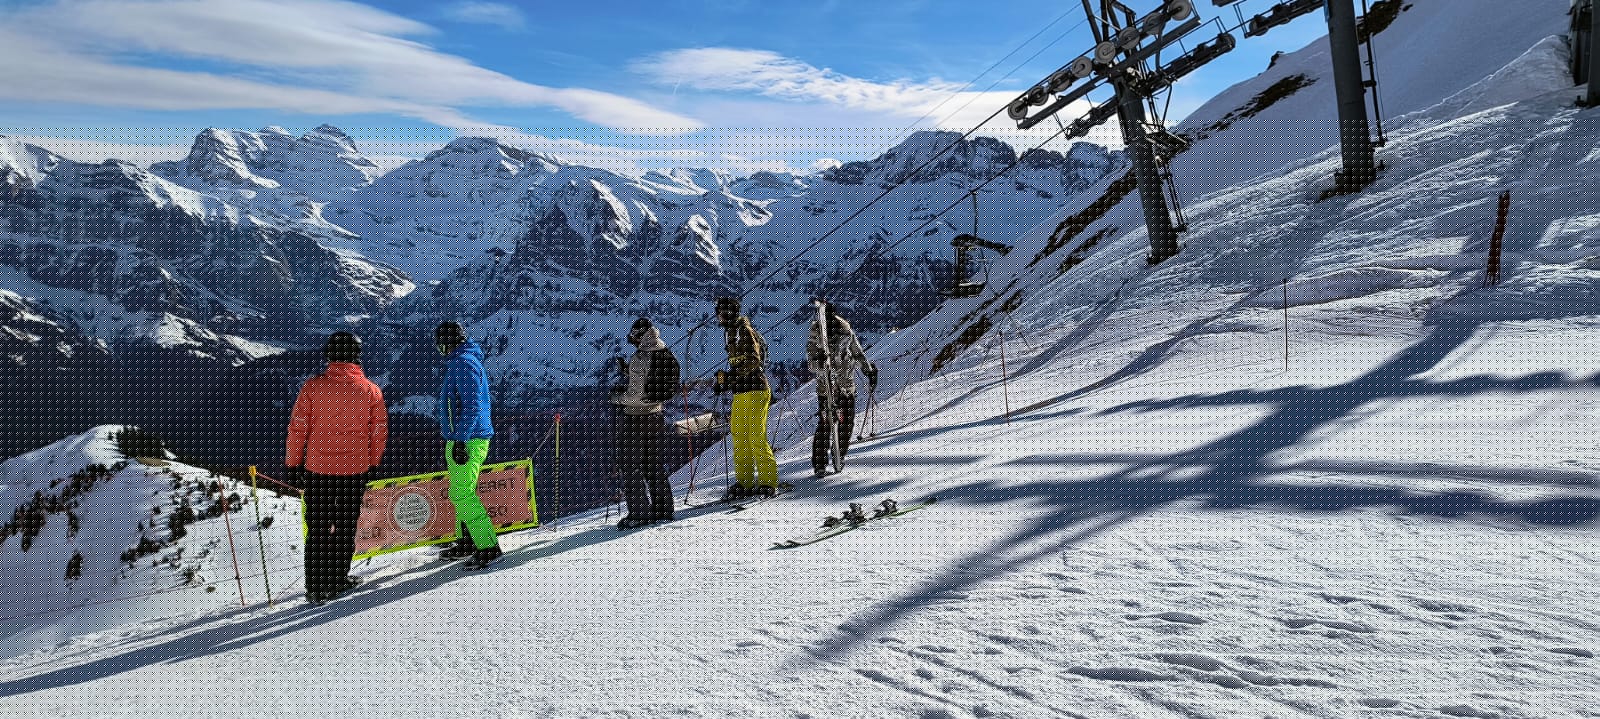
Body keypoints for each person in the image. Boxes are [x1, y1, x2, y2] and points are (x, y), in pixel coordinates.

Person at [286, 331, 387, 603]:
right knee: (344, 527)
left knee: (318, 529)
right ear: (356, 356)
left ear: (330, 355)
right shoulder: (371, 391)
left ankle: (315, 586)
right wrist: (373, 463)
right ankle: (338, 579)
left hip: (317, 470)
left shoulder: (312, 387)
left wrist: (293, 464)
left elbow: (297, 428)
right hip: (354, 471)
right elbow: (378, 433)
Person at [434, 321, 503, 569]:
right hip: (461, 437)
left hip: (468, 439)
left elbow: (473, 406)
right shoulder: (460, 361)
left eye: (440, 344)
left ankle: (488, 546)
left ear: (447, 343)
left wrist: (461, 439)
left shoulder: (464, 363)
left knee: (462, 493)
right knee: (461, 492)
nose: (440, 349)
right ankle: (468, 540)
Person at [611, 317, 677, 529]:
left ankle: (639, 514)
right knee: (653, 464)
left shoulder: (641, 357)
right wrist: (628, 371)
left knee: (630, 466)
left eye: (633, 335)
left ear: (640, 335)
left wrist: (617, 398)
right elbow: (650, 381)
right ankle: (663, 509)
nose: (631, 339)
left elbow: (636, 396)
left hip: (636, 419)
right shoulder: (663, 351)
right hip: (657, 416)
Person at [713, 297, 780, 497]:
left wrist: (730, 377)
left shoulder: (744, 331)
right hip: (741, 391)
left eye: (720, 313)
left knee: (756, 436)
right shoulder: (730, 333)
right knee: (740, 437)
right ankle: (745, 482)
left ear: (728, 313)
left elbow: (753, 360)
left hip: (757, 389)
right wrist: (724, 382)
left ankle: (768, 482)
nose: (718, 317)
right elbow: (738, 365)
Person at [807, 301, 877, 478]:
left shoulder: (846, 331)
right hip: (826, 388)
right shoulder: (815, 334)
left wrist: (868, 370)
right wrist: (819, 362)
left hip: (846, 384)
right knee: (826, 424)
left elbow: (857, 352)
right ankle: (820, 464)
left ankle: (840, 455)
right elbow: (811, 365)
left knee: (847, 423)